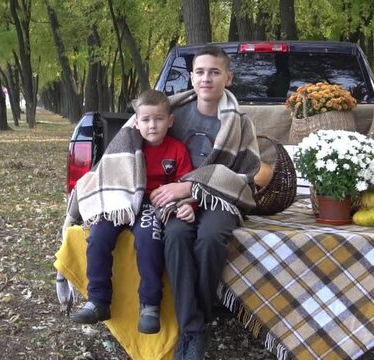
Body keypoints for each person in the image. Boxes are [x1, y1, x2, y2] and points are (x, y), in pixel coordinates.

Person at [149, 45, 261, 359]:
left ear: (228, 77)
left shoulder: (239, 122)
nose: (206, 78)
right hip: (175, 199)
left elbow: (247, 172)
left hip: (221, 199)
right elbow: (147, 147)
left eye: (214, 72)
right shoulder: (174, 114)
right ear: (192, 77)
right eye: (199, 72)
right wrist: (182, 193)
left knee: (211, 239)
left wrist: (192, 189)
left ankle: (195, 319)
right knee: (175, 236)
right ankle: (193, 330)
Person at [71, 89, 196, 334]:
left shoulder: (177, 150)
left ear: (170, 121)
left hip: (153, 205)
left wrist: (188, 206)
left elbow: (187, 185)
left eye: (158, 119)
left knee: (149, 239)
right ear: (136, 122)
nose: (152, 125)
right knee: (98, 237)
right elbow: (107, 173)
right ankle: (98, 300)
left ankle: (150, 305)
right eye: (146, 120)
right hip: (122, 202)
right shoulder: (126, 145)